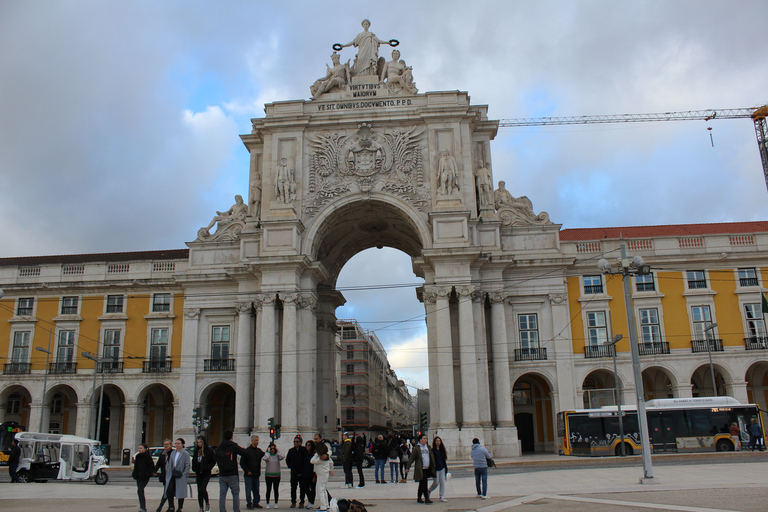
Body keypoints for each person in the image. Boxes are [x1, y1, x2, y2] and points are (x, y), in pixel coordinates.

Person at [218, 429, 248, 512]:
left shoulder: (220, 447)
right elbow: (244, 453)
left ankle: (222, 510)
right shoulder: (233, 446)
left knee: (222, 495)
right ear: (231, 436)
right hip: (232, 473)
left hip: (222, 474)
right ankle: (236, 510)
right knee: (235, 494)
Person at [406, 434, 435, 504]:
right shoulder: (417, 448)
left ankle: (419, 497)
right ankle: (426, 498)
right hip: (421, 469)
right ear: (420, 440)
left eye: (426, 438)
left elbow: (431, 457)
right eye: (424, 438)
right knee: (424, 483)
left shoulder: (428, 447)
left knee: (422, 483)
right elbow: (412, 458)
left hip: (427, 468)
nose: (426, 440)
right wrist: (407, 467)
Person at [166, 438, 191, 512]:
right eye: (176, 443)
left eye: (178, 443)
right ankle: (171, 506)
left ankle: (180, 508)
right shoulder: (173, 453)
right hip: (173, 474)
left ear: (182, 445)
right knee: (169, 490)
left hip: (180, 475)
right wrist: (169, 474)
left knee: (180, 492)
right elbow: (170, 464)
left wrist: (184, 474)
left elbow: (187, 465)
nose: (177, 445)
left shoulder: (185, 453)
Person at [241, 435, 266, 510]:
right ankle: (249, 503)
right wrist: (247, 471)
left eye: (258, 440)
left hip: (256, 474)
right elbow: (242, 463)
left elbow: (265, 455)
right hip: (249, 474)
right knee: (248, 489)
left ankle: (256, 502)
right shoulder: (247, 451)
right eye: (255, 440)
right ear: (252, 441)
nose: (257, 442)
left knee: (256, 489)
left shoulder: (259, 451)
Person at [193, 435, 216, 512]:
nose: (199, 444)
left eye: (200, 442)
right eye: (198, 442)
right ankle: (200, 507)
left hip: (206, 472)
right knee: (199, 490)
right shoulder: (196, 451)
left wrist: (208, 467)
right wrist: (194, 468)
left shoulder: (208, 451)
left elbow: (213, 460)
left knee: (203, 488)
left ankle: (207, 503)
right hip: (198, 472)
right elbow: (194, 460)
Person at [310, 442, 333, 512]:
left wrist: (317, 454)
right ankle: (326, 505)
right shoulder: (327, 457)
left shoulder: (320, 459)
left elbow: (312, 461)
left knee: (320, 491)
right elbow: (331, 462)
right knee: (323, 490)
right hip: (324, 474)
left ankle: (323, 507)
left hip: (321, 475)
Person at [133, 443, 155, 512]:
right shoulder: (138, 456)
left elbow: (151, 467)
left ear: (145, 449)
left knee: (140, 489)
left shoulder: (148, 457)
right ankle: (142, 507)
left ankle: (143, 507)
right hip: (138, 476)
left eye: (141, 448)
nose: (139, 450)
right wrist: (134, 474)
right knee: (140, 491)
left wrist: (147, 474)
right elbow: (136, 466)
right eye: (139, 448)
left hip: (145, 477)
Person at [262, 443, 285, 509]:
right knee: (268, 489)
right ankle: (267, 503)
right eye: (271, 449)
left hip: (276, 475)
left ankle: (276, 503)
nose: (272, 450)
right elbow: (265, 458)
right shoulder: (268, 455)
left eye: (273, 449)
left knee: (276, 489)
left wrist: (278, 450)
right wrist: (268, 452)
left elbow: (282, 456)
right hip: (268, 475)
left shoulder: (277, 456)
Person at [285, 436, 306, 508]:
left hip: (302, 472)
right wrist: (291, 466)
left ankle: (302, 502)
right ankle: (293, 501)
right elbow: (287, 459)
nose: (295, 443)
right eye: (294, 442)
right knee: (293, 488)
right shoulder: (291, 450)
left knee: (302, 488)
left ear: (300, 442)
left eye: (297, 442)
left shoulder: (304, 450)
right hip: (294, 472)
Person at [154, 439, 175, 512]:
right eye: (164, 444)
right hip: (164, 475)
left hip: (172, 476)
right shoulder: (162, 453)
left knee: (168, 491)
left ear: (171, 445)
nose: (165, 446)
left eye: (167, 444)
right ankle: (171, 507)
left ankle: (160, 507)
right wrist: (154, 471)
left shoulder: (173, 453)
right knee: (168, 492)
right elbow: (159, 463)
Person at [427, 437, 448, 502]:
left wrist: (446, 468)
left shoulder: (442, 450)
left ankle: (441, 496)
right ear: (434, 442)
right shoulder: (433, 450)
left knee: (442, 482)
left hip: (442, 468)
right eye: (437, 441)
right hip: (436, 468)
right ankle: (429, 490)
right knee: (436, 482)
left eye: (439, 441)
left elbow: (444, 460)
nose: (438, 442)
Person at [300, 440, 316, 509]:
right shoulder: (305, 454)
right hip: (305, 474)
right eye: (306, 445)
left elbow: (315, 466)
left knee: (312, 489)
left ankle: (311, 502)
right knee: (305, 488)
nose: (307, 446)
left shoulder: (314, 454)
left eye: (309, 445)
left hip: (312, 474)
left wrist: (315, 476)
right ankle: (310, 501)